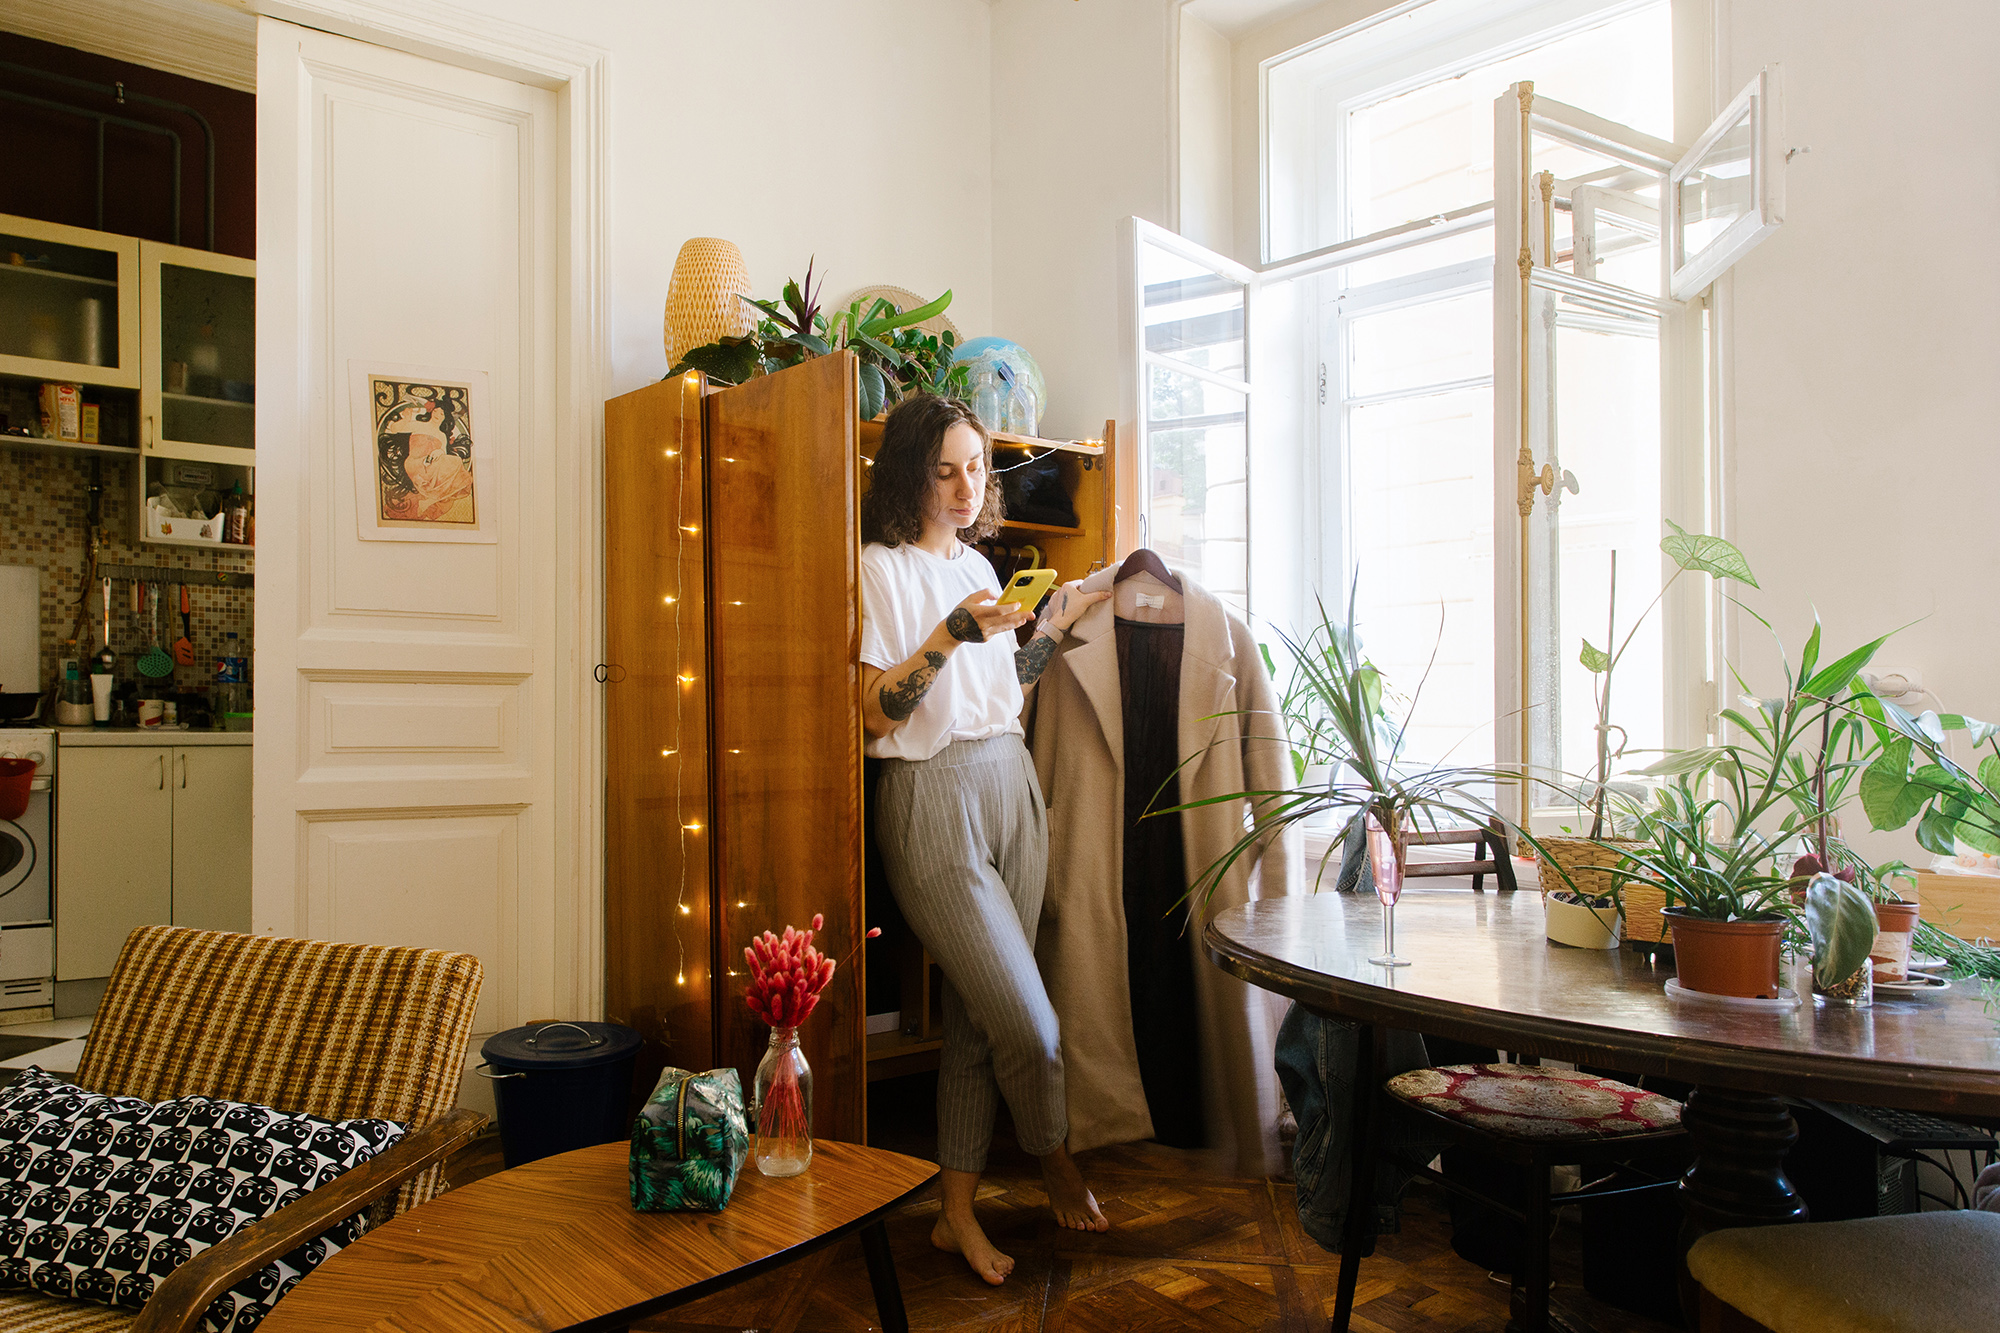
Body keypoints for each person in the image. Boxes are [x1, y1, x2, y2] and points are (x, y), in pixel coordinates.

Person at [858, 393, 1110, 1285]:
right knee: (1029, 1026)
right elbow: (876, 711)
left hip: (1012, 781)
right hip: (932, 793)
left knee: (976, 1020)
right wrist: (949, 632)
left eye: (977, 467)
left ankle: (953, 1214)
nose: (968, 487)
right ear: (910, 475)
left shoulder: (979, 563)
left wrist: (1054, 627)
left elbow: (1007, 694)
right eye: (946, 471)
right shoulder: (881, 568)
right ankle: (1054, 1156)